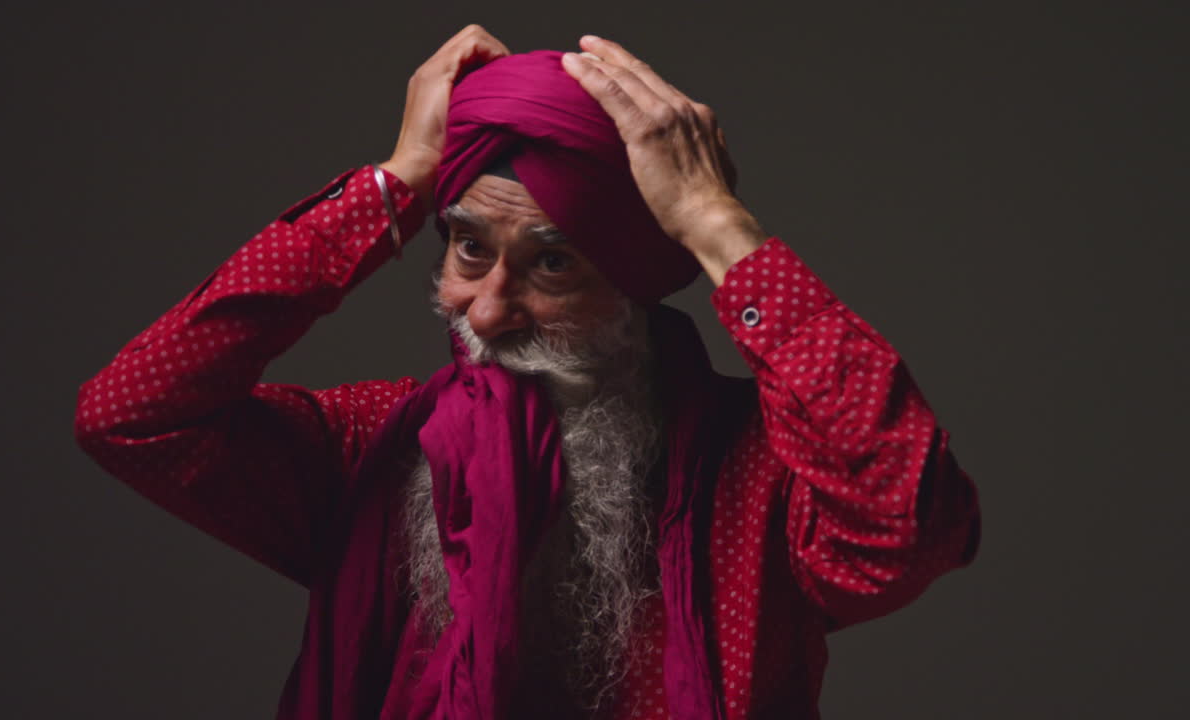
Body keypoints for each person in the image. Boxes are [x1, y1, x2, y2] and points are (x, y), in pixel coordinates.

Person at [74, 26, 981, 720]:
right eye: (469, 248)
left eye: (553, 264)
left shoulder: (770, 470)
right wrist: (394, 185)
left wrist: (714, 226)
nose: (489, 310)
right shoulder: (371, 448)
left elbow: (910, 527)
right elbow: (130, 414)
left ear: (635, 277)